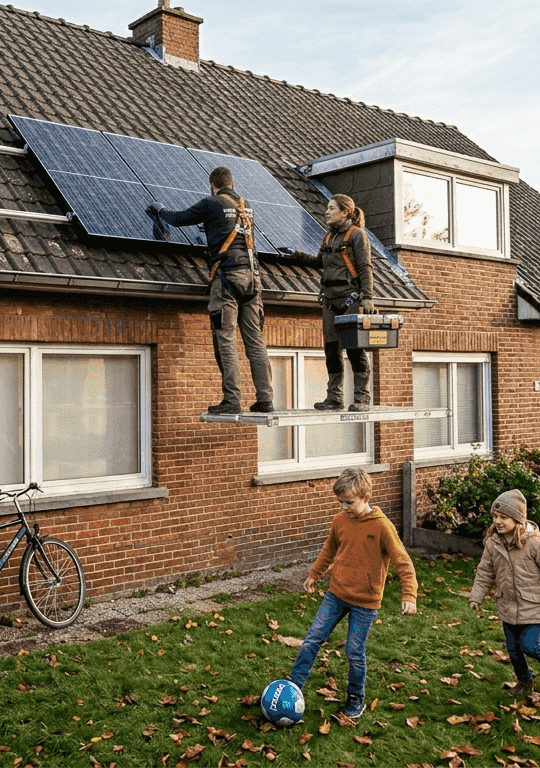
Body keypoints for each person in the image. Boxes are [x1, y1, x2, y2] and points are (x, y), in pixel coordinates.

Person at [291, 467, 418, 719]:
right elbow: (329, 551)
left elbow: (403, 562)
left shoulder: (382, 527)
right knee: (312, 639)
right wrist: (315, 574)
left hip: (365, 603)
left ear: (366, 497)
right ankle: (294, 685)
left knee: (354, 651)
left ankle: (355, 697)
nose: (344, 507)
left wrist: (409, 595)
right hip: (336, 595)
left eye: (349, 502)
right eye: (340, 501)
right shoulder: (340, 521)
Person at [148, 167, 273, 415]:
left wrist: (158, 210)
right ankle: (265, 400)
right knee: (255, 342)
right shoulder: (246, 206)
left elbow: (178, 219)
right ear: (232, 183)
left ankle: (232, 400)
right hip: (253, 279)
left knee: (225, 339)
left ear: (212, 185)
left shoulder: (211, 202)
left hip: (227, 278)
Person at [467, 490, 540, 697]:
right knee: (514, 650)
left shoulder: (534, 544)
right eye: (495, 517)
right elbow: (485, 572)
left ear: (517, 520)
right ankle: (525, 680)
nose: (498, 521)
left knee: (529, 645)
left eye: (504, 517)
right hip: (508, 605)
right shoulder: (493, 544)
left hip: (534, 605)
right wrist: (476, 596)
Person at [277, 194, 374, 411]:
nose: (326, 212)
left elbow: (366, 267)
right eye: (327, 208)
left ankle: (362, 399)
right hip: (329, 299)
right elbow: (319, 261)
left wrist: (367, 297)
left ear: (345, 212)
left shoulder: (357, 235)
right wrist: (297, 255)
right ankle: (334, 398)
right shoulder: (328, 237)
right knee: (331, 349)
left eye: (331, 208)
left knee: (354, 348)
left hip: (350, 297)